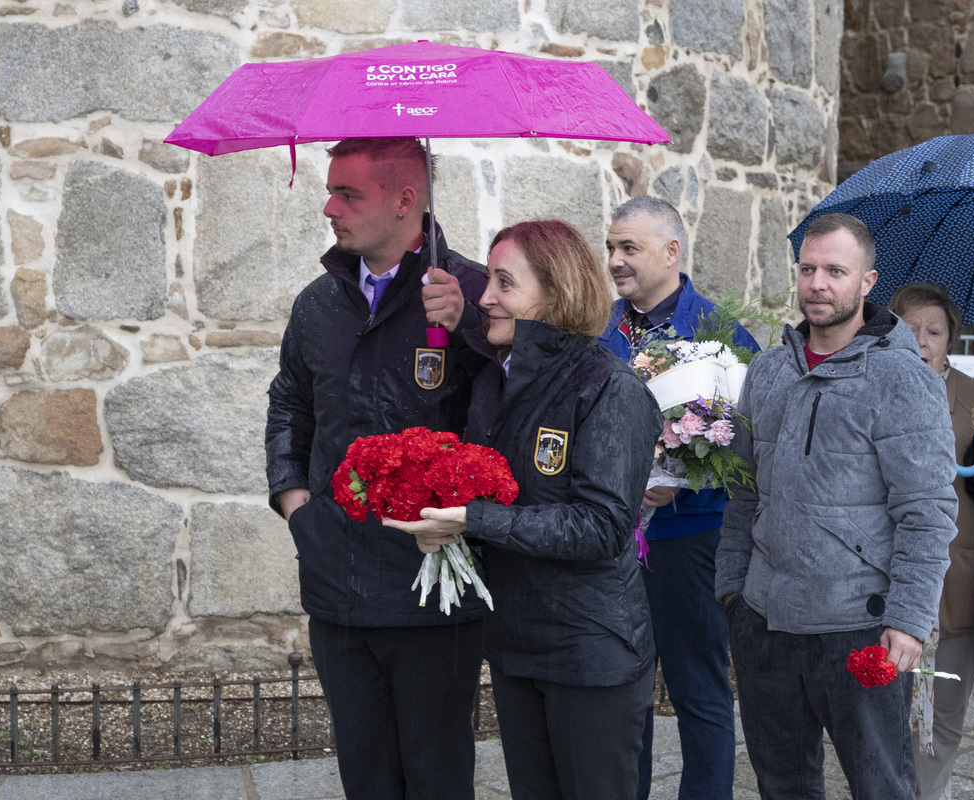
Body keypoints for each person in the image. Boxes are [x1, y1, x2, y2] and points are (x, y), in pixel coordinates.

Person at [385, 220, 662, 800]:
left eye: (504, 283)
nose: (484, 298)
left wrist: (472, 520)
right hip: (517, 642)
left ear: (556, 295)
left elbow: (603, 527)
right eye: (489, 279)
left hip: (590, 651)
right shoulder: (494, 381)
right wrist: (444, 530)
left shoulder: (610, 390)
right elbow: (501, 498)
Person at [265, 136, 491, 800]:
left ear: (405, 201)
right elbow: (290, 405)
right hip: (337, 579)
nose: (329, 208)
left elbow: (522, 403)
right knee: (365, 775)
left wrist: (472, 326)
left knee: (436, 774)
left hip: (433, 588)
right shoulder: (317, 305)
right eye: (331, 189)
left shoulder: (473, 290)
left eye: (347, 194)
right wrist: (296, 505)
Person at [715, 212, 958, 800]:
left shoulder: (903, 379)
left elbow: (926, 511)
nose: (817, 284)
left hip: (859, 624)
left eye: (834, 271)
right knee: (782, 786)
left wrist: (908, 619)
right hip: (767, 621)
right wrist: (732, 588)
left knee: (881, 787)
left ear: (867, 282)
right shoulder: (770, 370)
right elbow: (745, 491)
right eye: (807, 269)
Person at [598, 195, 757, 800]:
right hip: (612, 539)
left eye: (628, 248)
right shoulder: (599, 327)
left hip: (690, 537)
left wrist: (687, 478)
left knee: (698, 688)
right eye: (611, 247)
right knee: (623, 688)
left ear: (672, 251)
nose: (614, 259)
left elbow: (749, 438)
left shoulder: (720, 333)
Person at [889, 282, 974, 799]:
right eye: (910, 328)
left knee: (938, 712)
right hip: (885, 575)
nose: (921, 340)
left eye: (934, 331)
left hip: (955, 580)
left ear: (951, 338)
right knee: (889, 709)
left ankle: (929, 793)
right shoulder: (875, 384)